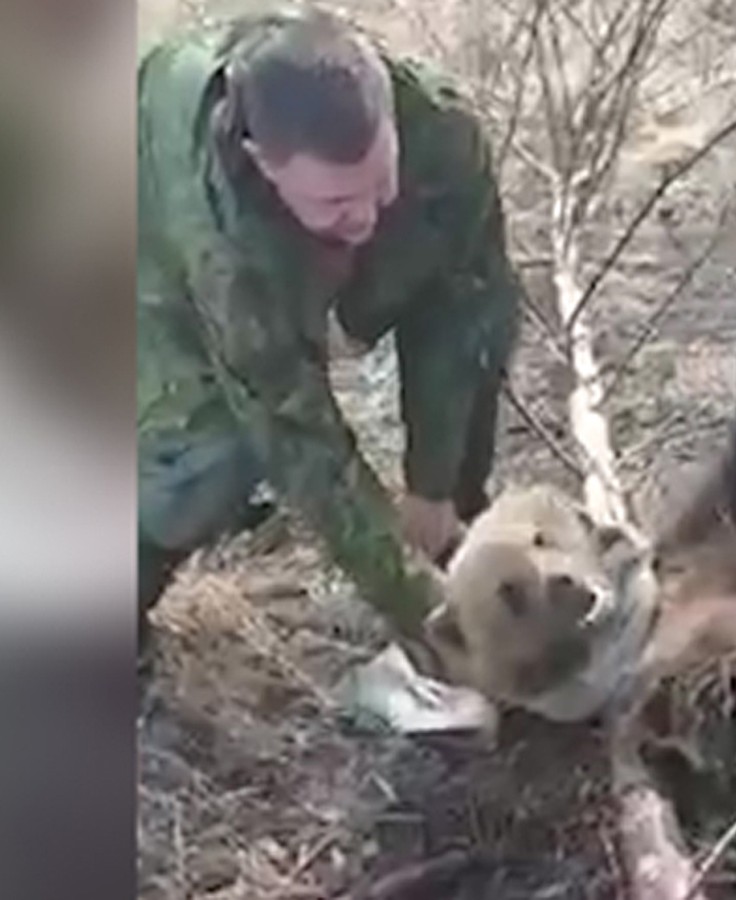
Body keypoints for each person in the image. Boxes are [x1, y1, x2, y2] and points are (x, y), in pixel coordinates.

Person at [137, 7, 522, 663]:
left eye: (379, 182)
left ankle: (463, 547)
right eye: (337, 203)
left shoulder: (442, 127)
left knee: (483, 326)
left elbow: (464, 301)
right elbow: (296, 430)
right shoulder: (219, 240)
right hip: (147, 238)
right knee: (204, 454)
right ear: (263, 162)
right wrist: (415, 604)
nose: (367, 216)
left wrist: (433, 487)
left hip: (289, 216)